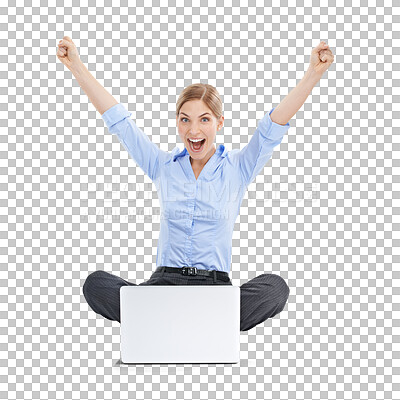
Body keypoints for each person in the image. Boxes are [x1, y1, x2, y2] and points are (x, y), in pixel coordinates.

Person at [57, 37, 334, 331]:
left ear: (219, 123)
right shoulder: (162, 166)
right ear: (177, 123)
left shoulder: (239, 167)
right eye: (185, 120)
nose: (194, 130)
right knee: (96, 284)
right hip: (163, 286)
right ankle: (196, 326)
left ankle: (170, 324)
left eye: (204, 119)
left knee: (275, 288)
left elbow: (273, 126)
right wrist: (76, 65)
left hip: (215, 291)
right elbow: (120, 123)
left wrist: (313, 73)